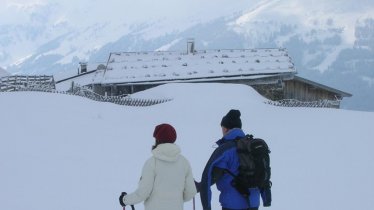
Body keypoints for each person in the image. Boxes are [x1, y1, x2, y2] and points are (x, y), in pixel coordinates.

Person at [198, 109, 268, 210]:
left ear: (225, 128)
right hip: (253, 205)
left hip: (232, 205)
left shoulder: (225, 150)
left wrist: (206, 206)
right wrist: (266, 199)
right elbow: (263, 172)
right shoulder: (253, 146)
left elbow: (210, 177)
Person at [119, 123, 197, 210]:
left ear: (157, 140)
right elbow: (191, 192)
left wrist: (125, 200)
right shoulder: (184, 162)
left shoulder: (151, 163)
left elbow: (143, 193)